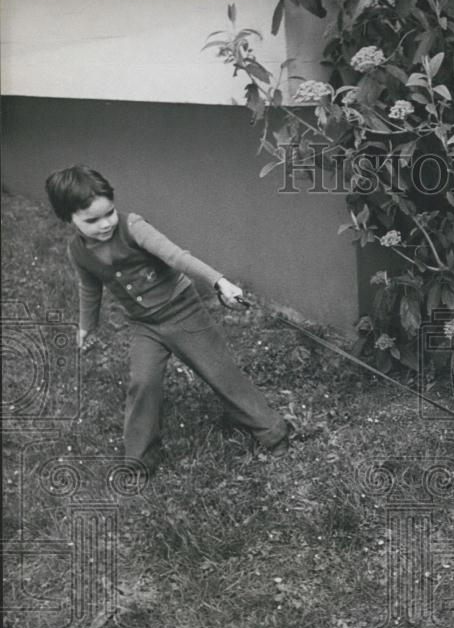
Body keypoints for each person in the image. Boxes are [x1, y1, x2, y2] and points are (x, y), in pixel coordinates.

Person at [45, 165, 290, 475]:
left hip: (182, 310)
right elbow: (90, 288)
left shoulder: (133, 226)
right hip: (144, 325)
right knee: (143, 383)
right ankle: (139, 459)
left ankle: (273, 432)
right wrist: (86, 327)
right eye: (92, 220)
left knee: (219, 371)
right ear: (68, 219)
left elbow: (177, 256)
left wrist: (219, 282)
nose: (105, 223)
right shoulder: (77, 252)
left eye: (109, 213)